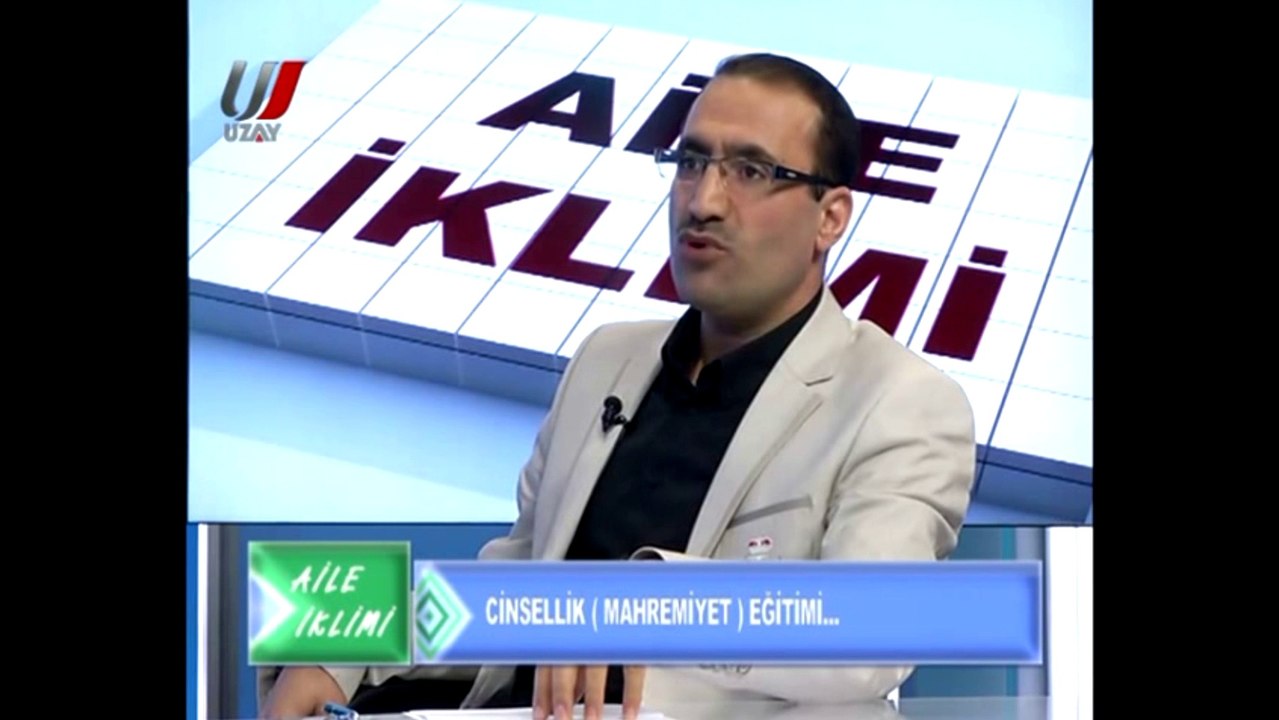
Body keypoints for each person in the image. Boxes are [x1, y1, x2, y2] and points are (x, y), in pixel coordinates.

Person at [259, 51, 976, 720]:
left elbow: (871, 631)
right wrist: (344, 646)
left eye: (751, 171)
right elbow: (513, 581)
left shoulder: (900, 401)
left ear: (830, 216)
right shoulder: (607, 358)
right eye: (691, 162)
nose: (703, 201)